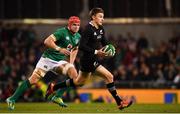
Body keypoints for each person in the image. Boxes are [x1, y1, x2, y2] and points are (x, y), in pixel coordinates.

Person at [46, 8, 133, 110]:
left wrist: (111, 49)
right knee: (109, 76)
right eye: (100, 16)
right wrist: (97, 52)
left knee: (79, 82)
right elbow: (82, 46)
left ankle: (53, 87)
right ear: (93, 17)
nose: (102, 19)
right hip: (87, 60)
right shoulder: (88, 29)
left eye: (103, 17)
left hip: (93, 59)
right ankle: (120, 102)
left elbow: (105, 43)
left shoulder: (101, 29)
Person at [6, 16, 81, 110]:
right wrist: (59, 49)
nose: (76, 27)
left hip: (59, 62)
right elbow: (47, 41)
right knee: (33, 80)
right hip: (47, 59)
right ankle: (12, 99)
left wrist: (71, 62)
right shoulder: (62, 32)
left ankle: (57, 96)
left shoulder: (78, 37)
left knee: (74, 75)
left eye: (78, 25)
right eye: (74, 24)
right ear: (69, 25)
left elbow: (75, 49)